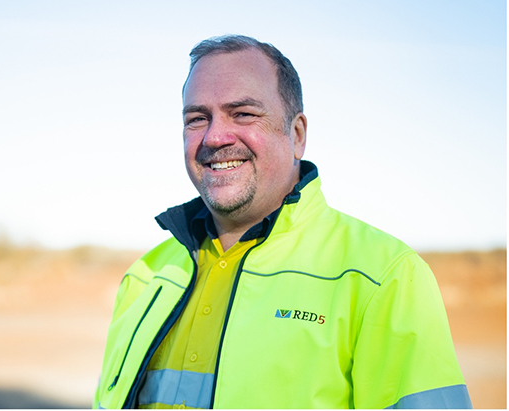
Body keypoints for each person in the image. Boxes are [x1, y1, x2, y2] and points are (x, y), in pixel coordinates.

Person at [94, 34, 471, 409]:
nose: (215, 136)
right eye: (197, 118)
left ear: (297, 135)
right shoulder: (146, 276)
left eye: (243, 113)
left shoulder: (383, 276)